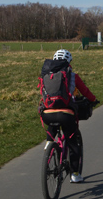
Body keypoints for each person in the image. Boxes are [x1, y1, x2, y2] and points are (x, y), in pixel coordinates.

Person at [39, 49, 98, 183]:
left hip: (47, 114)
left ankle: (49, 142)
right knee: (73, 143)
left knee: (53, 122)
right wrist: (93, 100)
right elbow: (85, 91)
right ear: (69, 62)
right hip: (66, 114)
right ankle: (75, 174)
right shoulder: (72, 75)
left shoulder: (46, 74)